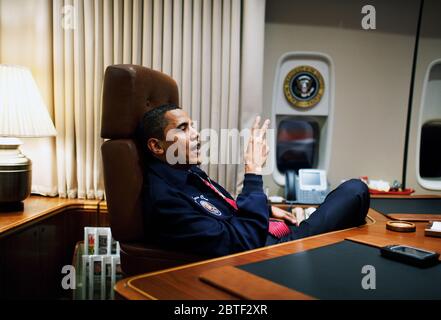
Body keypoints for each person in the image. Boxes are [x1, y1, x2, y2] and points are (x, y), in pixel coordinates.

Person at [138, 103, 370, 257]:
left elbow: (227, 213)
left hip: (266, 236)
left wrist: (267, 210)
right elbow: (244, 245)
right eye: (183, 128)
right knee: (355, 190)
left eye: (194, 126)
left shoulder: (188, 172)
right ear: (157, 146)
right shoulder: (164, 200)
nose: (197, 134)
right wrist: (253, 170)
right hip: (267, 255)